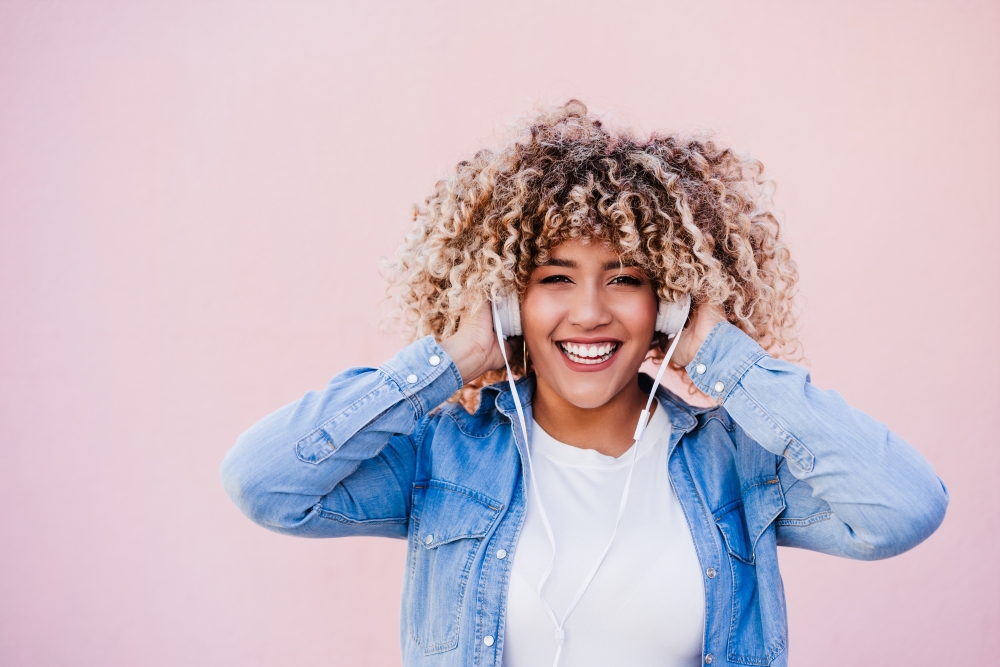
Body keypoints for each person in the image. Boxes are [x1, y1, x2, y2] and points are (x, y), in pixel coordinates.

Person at [220, 100, 948, 667]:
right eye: (554, 279)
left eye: (626, 279)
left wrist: (723, 357)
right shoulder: (441, 460)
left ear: (669, 298)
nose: (591, 312)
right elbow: (267, 482)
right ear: (508, 299)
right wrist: (457, 354)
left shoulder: (736, 465)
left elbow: (902, 507)